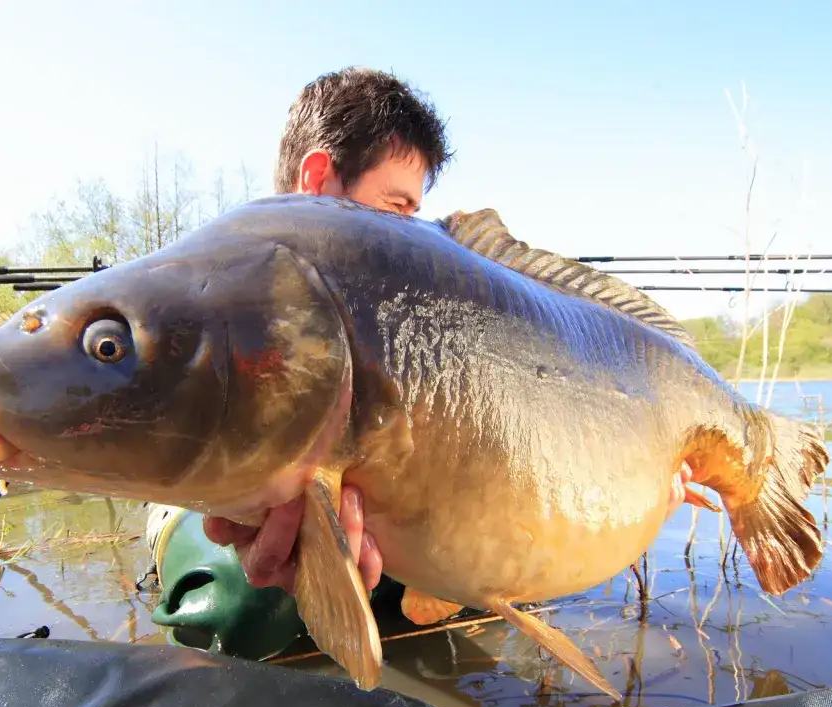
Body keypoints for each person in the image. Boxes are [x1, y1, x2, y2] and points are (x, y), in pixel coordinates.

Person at [195, 66, 696, 603]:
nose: (413, 234)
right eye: (396, 208)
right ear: (318, 181)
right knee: (232, 597)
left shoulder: (432, 324)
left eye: (416, 212)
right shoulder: (216, 304)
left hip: (421, 575)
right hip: (273, 583)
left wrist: (628, 512)